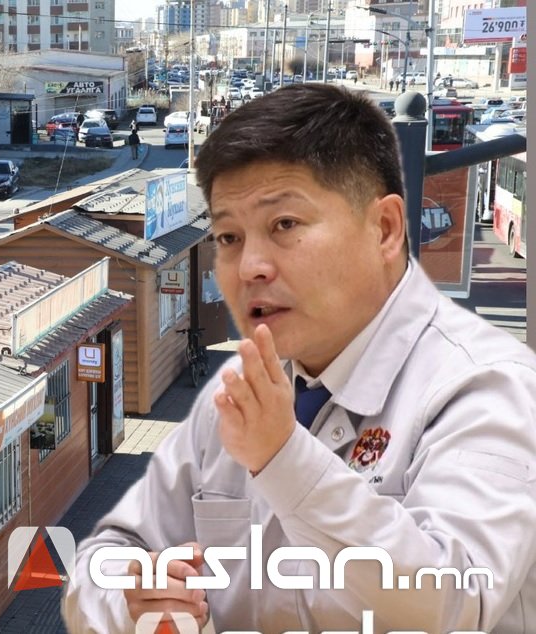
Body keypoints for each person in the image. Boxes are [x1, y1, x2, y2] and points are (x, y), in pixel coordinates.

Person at [62, 83, 536, 633]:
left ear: (384, 229)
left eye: (285, 225)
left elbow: (456, 600)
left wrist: (283, 459)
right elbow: (102, 561)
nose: (250, 267)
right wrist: (130, 599)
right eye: (229, 237)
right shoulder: (241, 395)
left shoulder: (488, 388)